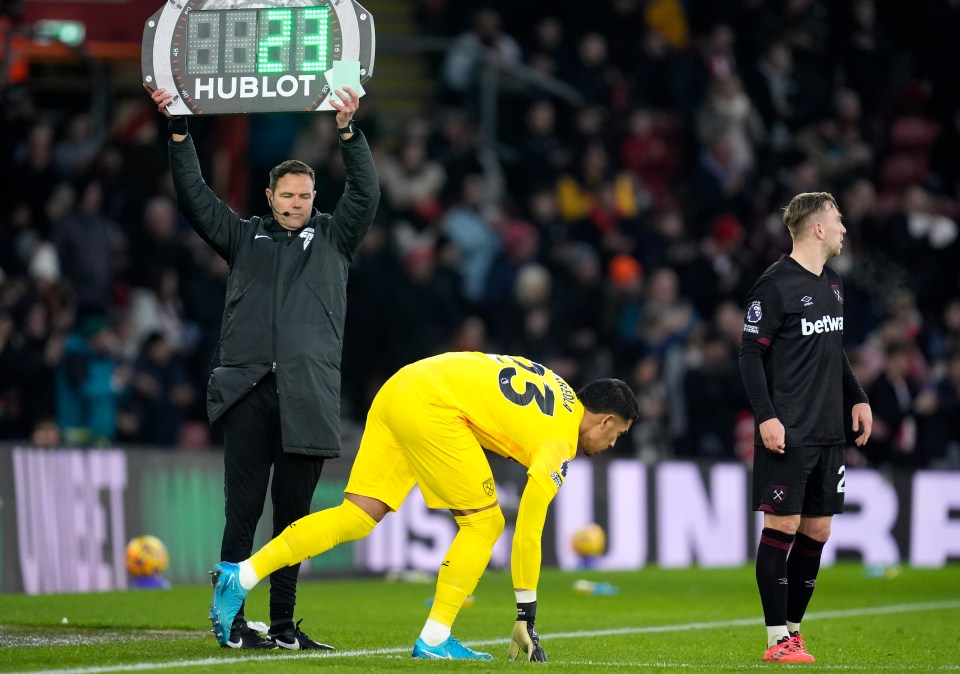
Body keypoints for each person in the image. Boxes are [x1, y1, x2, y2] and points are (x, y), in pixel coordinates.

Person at [145, 83, 380, 650]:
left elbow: (367, 193)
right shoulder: (243, 236)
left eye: (304, 195)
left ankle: (281, 627)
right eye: (287, 195)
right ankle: (230, 620)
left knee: (296, 521)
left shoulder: (335, 237)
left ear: (314, 196)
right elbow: (195, 197)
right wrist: (179, 131)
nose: (296, 203)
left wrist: (349, 132)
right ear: (270, 196)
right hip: (249, 390)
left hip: (308, 395)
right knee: (243, 512)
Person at [208, 351, 638, 660]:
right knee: (486, 524)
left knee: (358, 516)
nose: (610, 444)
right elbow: (529, 528)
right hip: (434, 407)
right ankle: (435, 638)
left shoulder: (557, 388)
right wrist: (526, 615)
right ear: (603, 420)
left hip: (401, 386)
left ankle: (240, 575)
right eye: (615, 435)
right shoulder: (560, 442)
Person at [738, 192, 873, 663]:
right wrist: (767, 416)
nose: (842, 228)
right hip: (789, 429)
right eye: (836, 219)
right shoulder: (774, 286)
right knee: (784, 524)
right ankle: (777, 639)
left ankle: (794, 633)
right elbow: (750, 353)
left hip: (828, 430)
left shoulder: (833, 284)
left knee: (817, 530)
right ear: (816, 227)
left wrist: (856, 397)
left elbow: (832, 351)